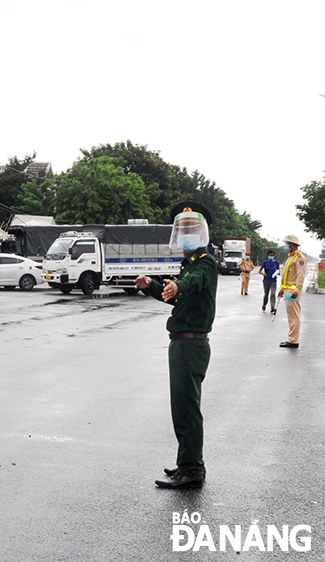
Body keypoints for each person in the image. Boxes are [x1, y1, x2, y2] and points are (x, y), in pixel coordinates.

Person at [134, 202, 218, 490]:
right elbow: (176, 297)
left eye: (191, 229)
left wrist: (180, 286)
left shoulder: (205, 261)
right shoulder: (189, 262)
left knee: (187, 409)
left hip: (191, 346)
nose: (186, 234)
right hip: (183, 344)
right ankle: (188, 464)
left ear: (202, 232)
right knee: (181, 407)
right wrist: (152, 285)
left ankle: (192, 470)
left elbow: (194, 283)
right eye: (182, 229)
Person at [277, 234, 307, 349]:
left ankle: (293, 340)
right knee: (291, 315)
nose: (286, 245)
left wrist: (297, 291)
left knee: (294, 315)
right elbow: (287, 276)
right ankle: (292, 338)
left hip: (293, 291)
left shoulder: (299, 258)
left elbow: (300, 276)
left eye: (287, 243)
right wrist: (283, 289)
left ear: (293, 244)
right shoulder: (291, 257)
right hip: (288, 289)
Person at [258, 249, 280, 314]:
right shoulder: (265, 262)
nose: (271, 256)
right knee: (266, 294)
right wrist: (263, 273)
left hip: (273, 281)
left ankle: (272, 307)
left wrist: (278, 273)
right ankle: (264, 304)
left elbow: (278, 271)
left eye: (272, 255)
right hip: (266, 280)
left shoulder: (276, 263)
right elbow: (260, 270)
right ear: (268, 256)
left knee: (273, 294)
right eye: (270, 255)